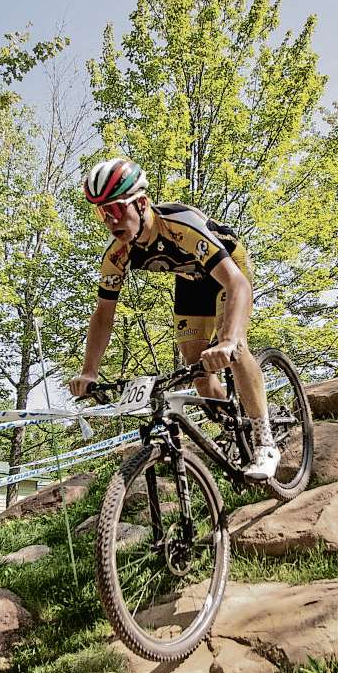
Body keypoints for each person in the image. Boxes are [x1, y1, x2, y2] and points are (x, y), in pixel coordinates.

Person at [68, 158, 281, 480]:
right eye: (101, 212)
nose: (110, 220)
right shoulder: (117, 254)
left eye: (115, 209)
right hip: (191, 280)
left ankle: (265, 441)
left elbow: (236, 283)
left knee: (234, 350)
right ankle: (234, 425)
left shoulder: (179, 226)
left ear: (141, 203)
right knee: (197, 369)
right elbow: (103, 314)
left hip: (228, 273)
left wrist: (228, 339)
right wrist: (89, 371)